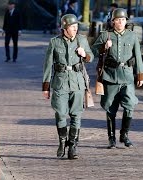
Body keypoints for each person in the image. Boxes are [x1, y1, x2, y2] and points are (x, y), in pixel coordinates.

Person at [42, 14, 94, 160]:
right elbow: (47, 66)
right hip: (60, 82)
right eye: (72, 27)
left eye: (76, 27)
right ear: (64, 28)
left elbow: (91, 57)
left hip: (77, 82)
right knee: (60, 113)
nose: (75, 29)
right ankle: (62, 142)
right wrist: (45, 87)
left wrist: (84, 54)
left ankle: (72, 146)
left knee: (76, 114)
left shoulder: (81, 40)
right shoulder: (54, 42)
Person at [92, 8, 143, 149]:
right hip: (110, 76)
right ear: (113, 21)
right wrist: (104, 47)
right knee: (110, 107)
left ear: (126, 21)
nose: (120, 22)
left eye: (123, 20)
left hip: (127, 76)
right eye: (118, 20)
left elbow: (138, 56)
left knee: (130, 105)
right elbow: (92, 52)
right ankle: (111, 138)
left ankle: (124, 135)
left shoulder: (132, 36)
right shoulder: (106, 35)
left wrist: (140, 74)